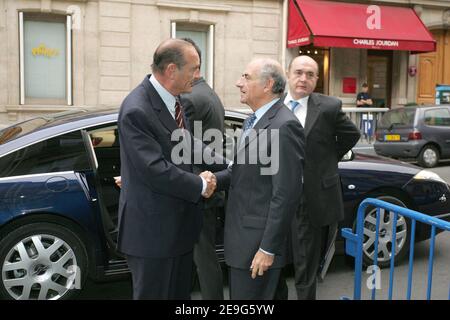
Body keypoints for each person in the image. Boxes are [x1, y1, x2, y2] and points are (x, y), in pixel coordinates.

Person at [117, 38, 226, 300]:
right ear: (171, 70)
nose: (198, 75)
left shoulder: (174, 100)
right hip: (152, 234)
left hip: (178, 229)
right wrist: (201, 184)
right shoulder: (137, 108)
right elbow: (155, 169)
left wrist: (228, 165)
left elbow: (186, 143)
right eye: (194, 68)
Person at [214, 58, 305, 300]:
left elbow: (285, 194)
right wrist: (212, 180)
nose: (238, 83)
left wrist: (267, 248)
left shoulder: (284, 127)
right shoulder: (252, 120)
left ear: (268, 85)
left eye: (246, 77)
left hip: (256, 247)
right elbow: (241, 171)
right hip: (243, 240)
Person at [278, 55, 360, 300]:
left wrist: (325, 161)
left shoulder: (328, 107)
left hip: (309, 198)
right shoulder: (273, 104)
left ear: (316, 80)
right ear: (288, 73)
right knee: (275, 261)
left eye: (310, 74)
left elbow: (351, 135)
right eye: (299, 72)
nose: (303, 79)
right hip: (276, 196)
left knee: (305, 264)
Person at [180, 38, 226, 300]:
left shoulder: (190, 98)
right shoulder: (207, 92)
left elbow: (181, 146)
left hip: (199, 189)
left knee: (203, 256)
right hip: (207, 186)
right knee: (204, 254)